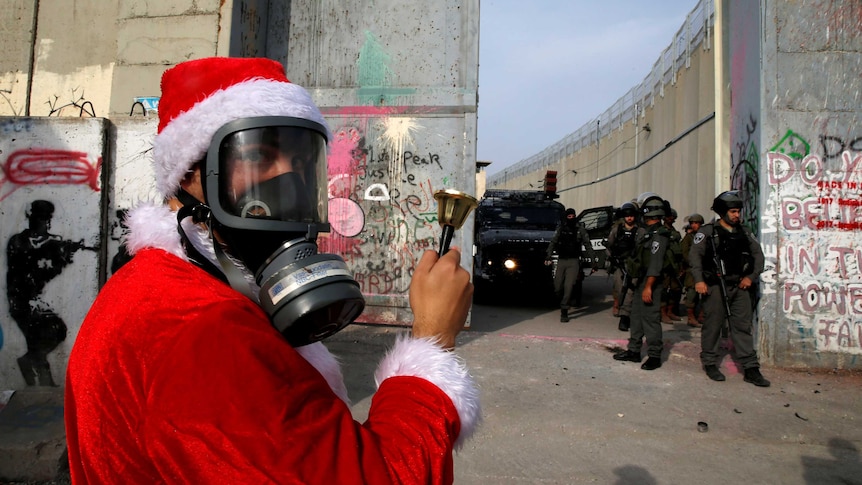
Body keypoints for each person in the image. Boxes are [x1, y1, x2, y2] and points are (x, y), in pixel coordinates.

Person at [65, 57, 481, 483]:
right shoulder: (200, 327)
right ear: (191, 174)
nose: (290, 179)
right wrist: (432, 337)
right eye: (262, 155)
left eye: (302, 164)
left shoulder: (160, 282)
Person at [7, 200, 92, 386]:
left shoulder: (49, 243)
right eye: (43, 220)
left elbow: (47, 274)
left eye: (47, 220)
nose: (46, 224)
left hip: (33, 300)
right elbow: (26, 265)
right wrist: (51, 248)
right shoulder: (18, 242)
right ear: (33, 219)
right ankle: (38, 374)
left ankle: (38, 375)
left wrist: (63, 259)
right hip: (19, 300)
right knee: (45, 332)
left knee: (53, 332)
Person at [689, 190, 770, 387]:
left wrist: (751, 277)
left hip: (739, 286)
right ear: (722, 212)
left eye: (738, 212)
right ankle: (709, 362)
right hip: (715, 286)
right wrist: (699, 280)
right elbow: (695, 257)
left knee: (742, 327)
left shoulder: (744, 232)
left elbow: (758, 256)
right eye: (733, 211)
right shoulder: (707, 232)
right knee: (713, 325)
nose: (737, 215)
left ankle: (751, 369)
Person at [613, 193, 671, 371]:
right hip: (640, 281)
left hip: (650, 282)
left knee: (651, 320)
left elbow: (656, 263)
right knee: (636, 317)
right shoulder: (648, 233)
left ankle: (654, 355)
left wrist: (648, 287)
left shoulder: (659, 235)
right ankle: (634, 350)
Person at [546, 208, 598, 322]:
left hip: (574, 261)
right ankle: (561, 300)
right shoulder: (561, 229)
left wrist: (594, 262)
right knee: (558, 286)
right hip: (562, 260)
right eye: (569, 216)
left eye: (572, 216)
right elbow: (553, 242)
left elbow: (588, 245)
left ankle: (564, 310)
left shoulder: (580, 230)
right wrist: (548, 256)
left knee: (569, 286)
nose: (571, 218)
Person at [605, 202, 638, 329]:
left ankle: (625, 316)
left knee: (630, 289)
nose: (629, 218)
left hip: (633, 264)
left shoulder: (639, 231)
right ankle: (620, 307)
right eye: (627, 215)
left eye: (631, 215)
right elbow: (609, 245)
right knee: (620, 289)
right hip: (619, 264)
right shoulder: (617, 230)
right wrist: (612, 257)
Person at [680, 213, 705, 327]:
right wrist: (692, 263)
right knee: (691, 294)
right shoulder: (689, 238)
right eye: (692, 223)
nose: (694, 225)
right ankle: (691, 317)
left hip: (704, 269)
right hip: (691, 270)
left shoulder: (704, 237)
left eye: (696, 223)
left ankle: (701, 315)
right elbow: (684, 253)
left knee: (705, 294)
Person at [661, 207, 684, 324]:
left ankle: (670, 311)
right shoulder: (661, 230)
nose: (672, 219)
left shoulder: (674, 231)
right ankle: (663, 312)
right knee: (664, 290)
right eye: (670, 217)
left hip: (674, 264)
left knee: (675, 289)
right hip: (665, 265)